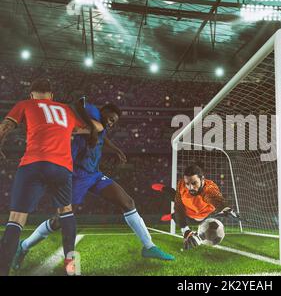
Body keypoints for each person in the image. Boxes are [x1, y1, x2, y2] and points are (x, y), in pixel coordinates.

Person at [12, 99, 174, 271]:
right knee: (59, 220)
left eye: (114, 122)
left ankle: (149, 247)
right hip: (74, 175)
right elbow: (77, 101)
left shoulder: (101, 127)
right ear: (102, 111)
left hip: (94, 174)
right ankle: (24, 246)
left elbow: (102, 136)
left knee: (128, 202)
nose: (111, 123)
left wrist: (116, 149)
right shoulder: (91, 112)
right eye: (110, 118)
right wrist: (91, 128)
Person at [0, 79, 101, 276]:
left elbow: (5, 127)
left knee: (17, 219)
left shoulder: (25, 104)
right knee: (66, 211)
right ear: (51, 96)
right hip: (61, 168)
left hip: (33, 164)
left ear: (32, 95)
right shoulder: (66, 110)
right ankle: (71, 266)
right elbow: (97, 127)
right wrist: (81, 117)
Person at [152, 164, 239, 250]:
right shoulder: (182, 183)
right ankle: (163, 188)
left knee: (178, 218)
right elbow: (178, 206)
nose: (191, 187)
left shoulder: (209, 189)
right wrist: (185, 230)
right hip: (186, 205)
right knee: (175, 198)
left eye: (194, 183)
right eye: (188, 183)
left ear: (202, 180)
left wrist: (226, 209)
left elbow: (216, 198)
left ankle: (172, 216)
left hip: (196, 215)